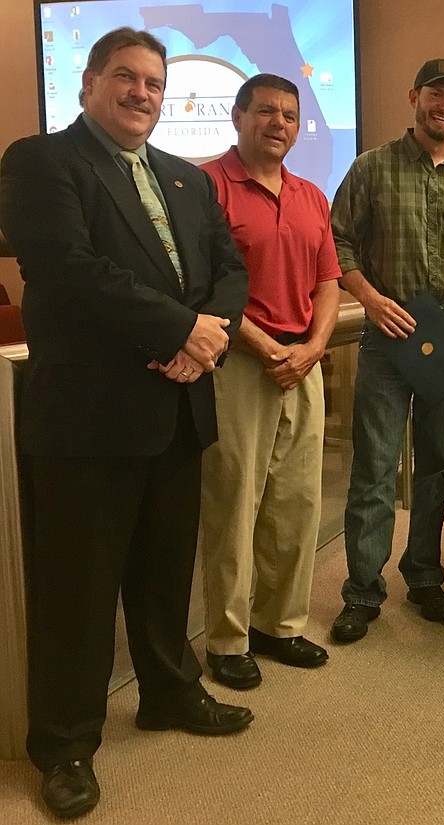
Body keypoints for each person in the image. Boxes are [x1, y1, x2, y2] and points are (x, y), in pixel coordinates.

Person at [0, 27, 252, 818]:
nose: (141, 93)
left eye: (153, 81)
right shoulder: (41, 161)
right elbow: (68, 269)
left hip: (177, 405)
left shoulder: (185, 178)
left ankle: (169, 693)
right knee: (76, 589)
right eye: (125, 78)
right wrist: (182, 330)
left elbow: (229, 267)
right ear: (88, 84)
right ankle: (66, 743)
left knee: (163, 570)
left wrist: (204, 335)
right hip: (87, 416)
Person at [328, 58, 444, 641]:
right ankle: (361, 591)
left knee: (438, 467)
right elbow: (338, 241)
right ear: (415, 96)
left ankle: (425, 575)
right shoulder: (371, 168)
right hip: (387, 332)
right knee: (376, 468)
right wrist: (369, 298)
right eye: (435, 92)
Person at [198, 74, 341, 689]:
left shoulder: (311, 195)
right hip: (238, 366)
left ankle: (279, 625)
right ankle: (227, 641)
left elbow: (328, 281)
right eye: (264, 112)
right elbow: (202, 288)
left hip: (301, 368)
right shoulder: (206, 186)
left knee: (296, 504)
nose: (277, 123)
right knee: (235, 506)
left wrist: (312, 347)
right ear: (238, 116)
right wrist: (269, 348)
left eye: (288, 114)